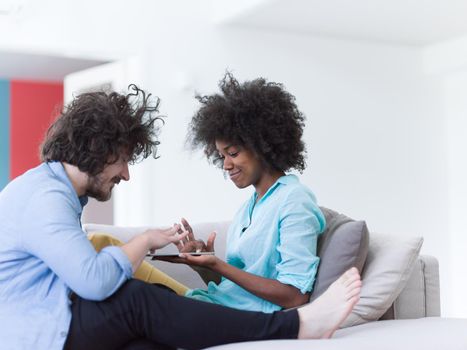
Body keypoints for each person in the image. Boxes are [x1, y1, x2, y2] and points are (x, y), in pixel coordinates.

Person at [0, 85, 361, 350]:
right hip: (37, 332)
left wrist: (210, 264)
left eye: (233, 152)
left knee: (143, 328)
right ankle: (294, 328)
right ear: (99, 149)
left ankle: (292, 326)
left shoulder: (52, 192)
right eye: (124, 159)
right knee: (134, 299)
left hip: (46, 322)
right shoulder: (46, 199)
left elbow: (289, 290)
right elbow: (93, 282)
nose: (126, 174)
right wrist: (146, 241)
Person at [161, 73, 325, 313]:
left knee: (135, 300)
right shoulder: (248, 209)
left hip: (243, 319)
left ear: (262, 146)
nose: (226, 165)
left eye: (234, 153)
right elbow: (233, 289)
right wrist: (204, 266)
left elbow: (295, 296)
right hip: (215, 305)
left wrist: (218, 264)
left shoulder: (294, 200)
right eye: (221, 156)